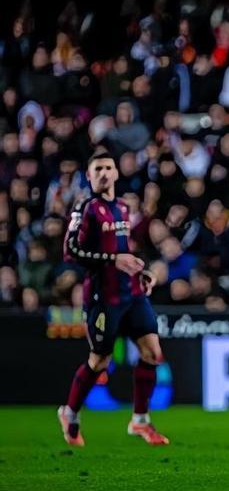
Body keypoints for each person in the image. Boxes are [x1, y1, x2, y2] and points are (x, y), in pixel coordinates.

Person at [57, 150, 169, 446]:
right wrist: (113, 260)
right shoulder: (85, 208)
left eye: (109, 167)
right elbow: (70, 252)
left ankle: (140, 421)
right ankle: (70, 412)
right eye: (98, 169)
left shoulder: (121, 207)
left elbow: (123, 249)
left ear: (117, 173)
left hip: (131, 293)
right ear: (90, 176)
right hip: (103, 297)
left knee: (152, 352)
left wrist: (139, 270)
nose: (104, 173)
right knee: (99, 361)